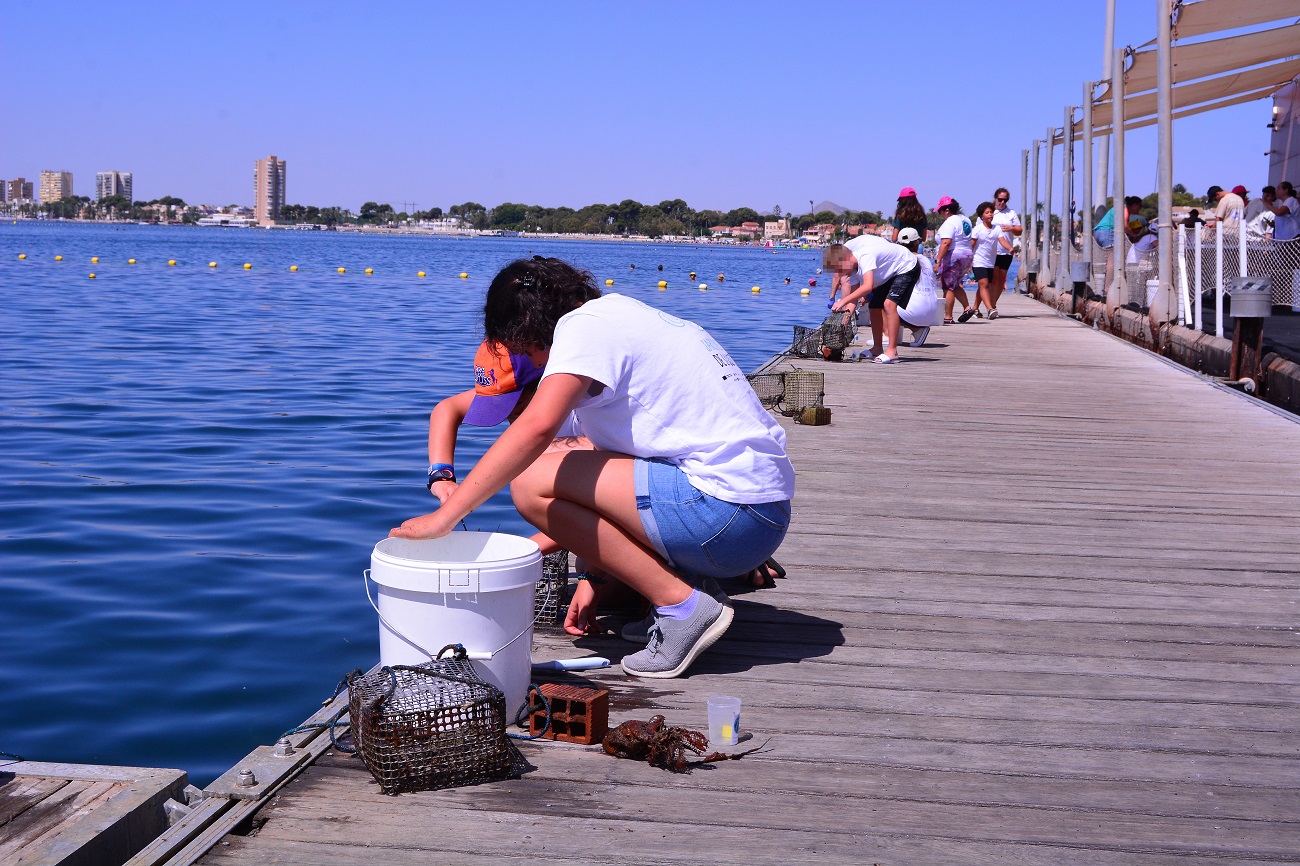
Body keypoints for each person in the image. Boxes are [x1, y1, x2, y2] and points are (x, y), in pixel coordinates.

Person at [391, 257, 794, 679]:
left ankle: (684, 606)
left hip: (728, 516)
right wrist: (592, 576)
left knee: (530, 482)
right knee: (566, 483)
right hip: (752, 516)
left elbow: (536, 428)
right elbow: (608, 490)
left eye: (524, 350)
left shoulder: (582, 328)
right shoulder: (619, 316)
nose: (535, 361)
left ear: (530, 331)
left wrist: (444, 519)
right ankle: (687, 593)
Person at [824, 233, 922, 364]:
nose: (841, 273)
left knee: (889, 305)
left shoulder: (865, 257)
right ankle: (877, 348)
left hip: (907, 266)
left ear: (846, 259)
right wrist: (844, 321)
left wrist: (842, 301)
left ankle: (892, 352)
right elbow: (853, 300)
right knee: (874, 306)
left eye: (840, 268)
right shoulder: (852, 271)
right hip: (891, 273)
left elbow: (868, 286)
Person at [894, 227, 938, 346]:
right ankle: (895, 336)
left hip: (914, 313)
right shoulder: (926, 260)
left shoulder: (901, 260)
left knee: (881, 299)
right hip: (932, 312)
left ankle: (890, 335)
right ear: (917, 244)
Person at [969, 201, 1014, 320]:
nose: (990, 214)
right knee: (984, 284)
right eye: (987, 212)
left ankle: (975, 309)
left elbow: (1002, 240)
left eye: (991, 212)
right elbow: (971, 245)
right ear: (981, 216)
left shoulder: (996, 229)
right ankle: (990, 309)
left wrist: (1009, 248)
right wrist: (968, 261)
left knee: (983, 286)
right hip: (978, 261)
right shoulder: (978, 229)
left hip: (990, 262)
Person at [932, 197, 973, 323]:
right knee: (955, 284)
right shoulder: (965, 220)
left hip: (953, 256)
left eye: (941, 211)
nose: (940, 214)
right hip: (967, 255)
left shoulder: (950, 222)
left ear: (947, 210)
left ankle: (948, 317)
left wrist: (937, 261)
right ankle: (967, 308)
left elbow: (946, 242)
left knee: (947, 286)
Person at [990, 187, 1022, 301]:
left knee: (1001, 280)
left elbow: (1019, 231)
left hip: (1006, 252)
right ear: (995, 198)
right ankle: (989, 304)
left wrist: (1011, 228)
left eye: (1005, 200)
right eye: (1000, 199)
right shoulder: (989, 212)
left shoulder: (1011, 213)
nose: (1002, 202)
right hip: (992, 251)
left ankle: (993, 303)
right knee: (993, 279)